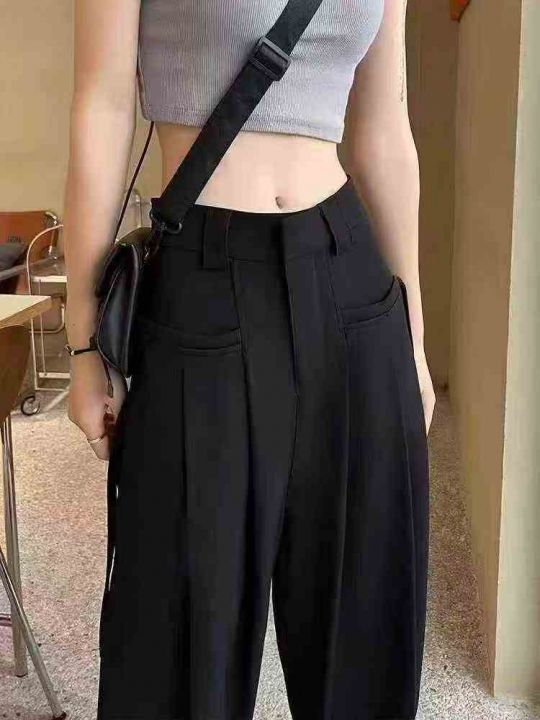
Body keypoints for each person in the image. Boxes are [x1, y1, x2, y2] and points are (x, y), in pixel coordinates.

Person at [64, 0, 436, 718]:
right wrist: (84, 344)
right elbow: (101, 106)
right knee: (177, 635)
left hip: (351, 281)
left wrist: (413, 336)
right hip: (201, 279)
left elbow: (385, 125)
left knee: (363, 625)